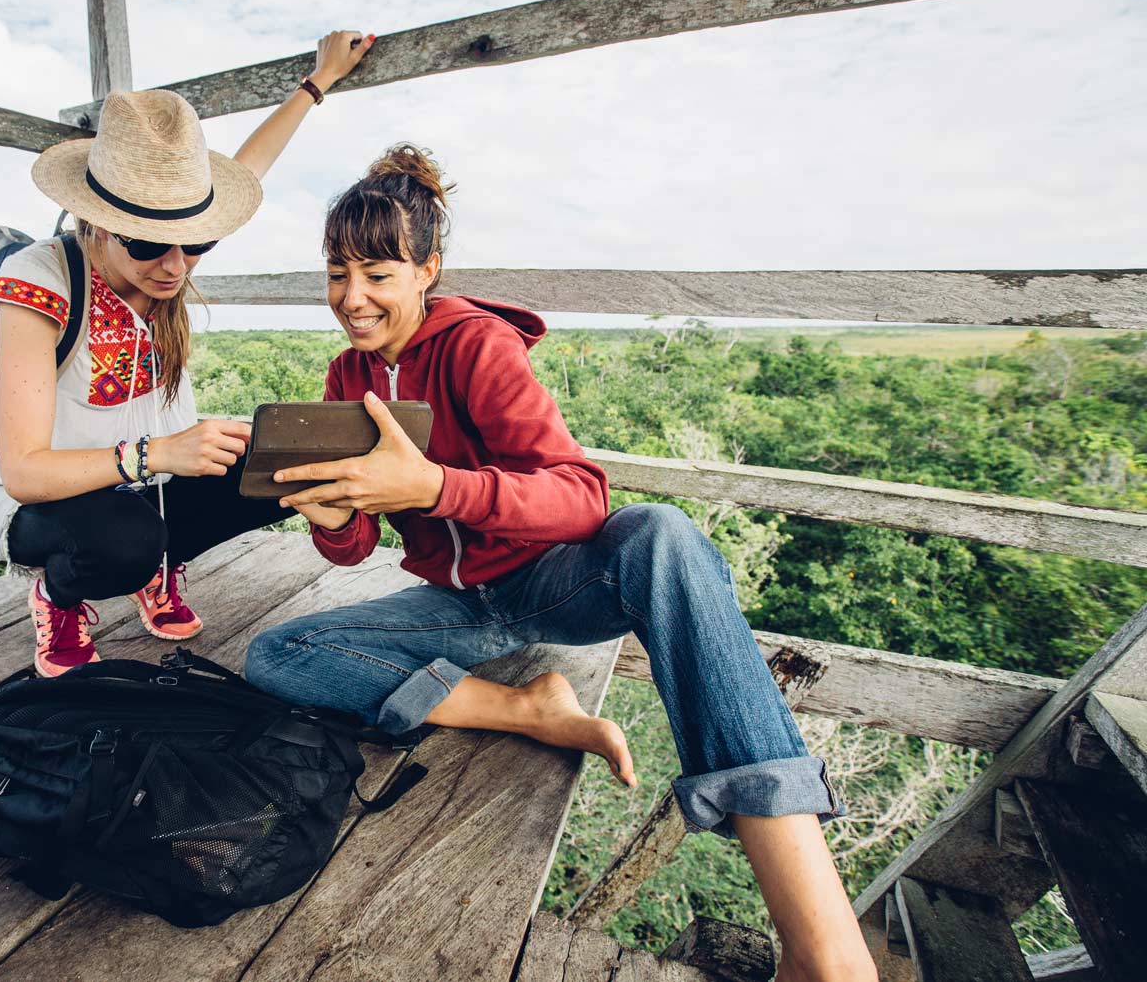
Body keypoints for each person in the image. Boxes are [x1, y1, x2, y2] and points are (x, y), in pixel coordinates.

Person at [241, 145, 878, 982]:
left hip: (554, 584)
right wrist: (333, 518)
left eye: (376, 273)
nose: (351, 298)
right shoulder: (347, 373)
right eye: (335, 274)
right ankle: (531, 708)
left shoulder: (476, 347)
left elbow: (581, 494)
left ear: (427, 269)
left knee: (661, 533)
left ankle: (823, 946)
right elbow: (357, 544)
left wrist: (434, 485)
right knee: (274, 654)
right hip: (460, 605)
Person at [0, 30, 374, 677]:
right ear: (99, 220)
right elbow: (23, 472)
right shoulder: (42, 278)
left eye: (194, 246)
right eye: (149, 246)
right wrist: (159, 452)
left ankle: (158, 563)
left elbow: (249, 167)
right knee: (123, 540)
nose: (175, 266)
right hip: (52, 503)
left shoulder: (169, 249)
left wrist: (318, 82)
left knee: (280, 461)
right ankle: (61, 594)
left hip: (151, 484)